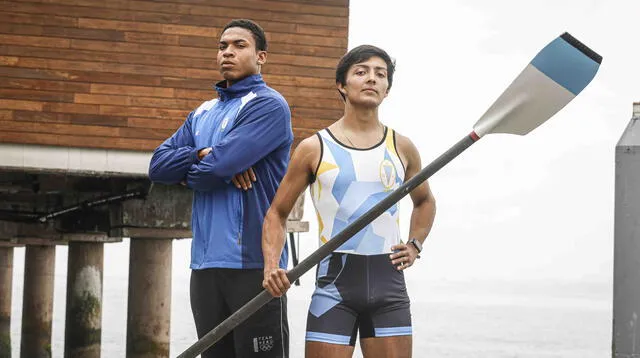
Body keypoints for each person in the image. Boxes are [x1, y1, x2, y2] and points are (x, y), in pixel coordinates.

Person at [261, 45, 436, 358]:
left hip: (389, 289)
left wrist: (415, 245)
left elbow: (424, 202)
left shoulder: (403, 148)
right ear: (341, 85)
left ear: (387, 89)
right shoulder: (314, 148)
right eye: (361, 71)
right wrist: (272, 266)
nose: (371, 78)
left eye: (379, 74)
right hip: (334, 288)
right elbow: (277, 213)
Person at [148, 19, 292, 358]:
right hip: (204, 267)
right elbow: (157, 166)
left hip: (255, 266)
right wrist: (200, 155)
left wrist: (195, 173)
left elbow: (218, 169)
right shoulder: (203, 111)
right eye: (222, 46)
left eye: (239, 45)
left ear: (261, 57)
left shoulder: (268, 105)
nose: (227, 51)